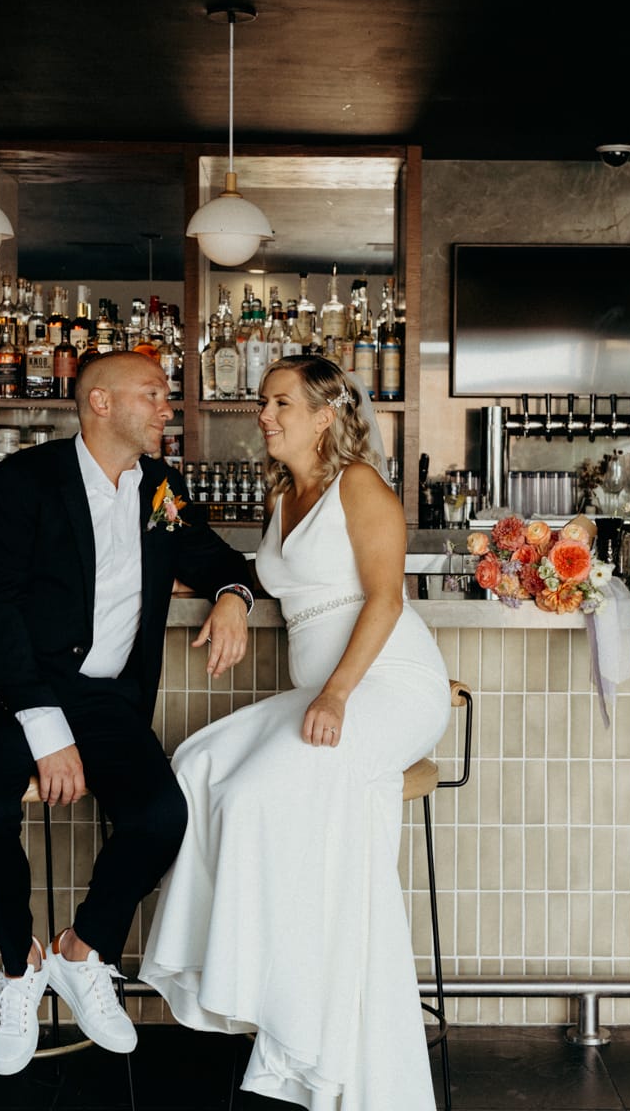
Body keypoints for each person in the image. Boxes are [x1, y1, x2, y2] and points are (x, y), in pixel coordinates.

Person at [0, 350, 254, 1076]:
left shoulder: (159, 487)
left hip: (104, 700)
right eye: (154, 395)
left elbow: (216, 557)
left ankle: (82, 952)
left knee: (161, 816)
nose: (169, 407)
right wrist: (45, 730)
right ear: (99, 402)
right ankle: (19, 968)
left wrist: (234, 595)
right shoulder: (20, 483)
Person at [140, 355, 451, 1111]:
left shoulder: (361, 487)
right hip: (325, 687)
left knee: (251, 795)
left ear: (325, 415)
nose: (265, 415)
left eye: (280, 403)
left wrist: (339, 696)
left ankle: (288, 1013)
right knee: (198, 763)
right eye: (263, 402)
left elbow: (383, 599)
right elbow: (270, 578)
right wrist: (229, 594)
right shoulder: (286, 495)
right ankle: (242, 982)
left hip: (387, 685)